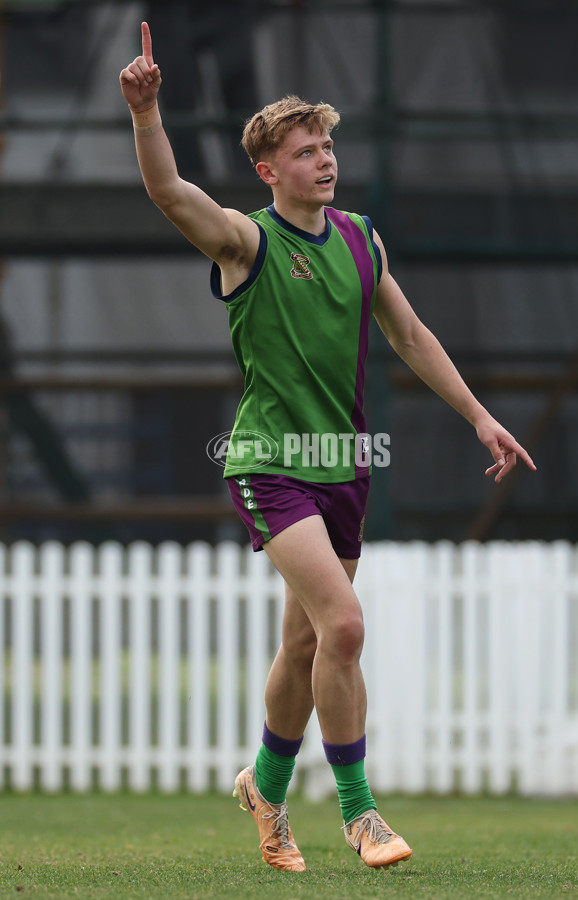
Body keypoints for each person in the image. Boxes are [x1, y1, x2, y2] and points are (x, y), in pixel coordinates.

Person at [120, 22, 536, 873]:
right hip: (268, 463)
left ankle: (264, 791)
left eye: (326, 147)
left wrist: (481, 417)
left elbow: (412, 336)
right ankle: (361, 813)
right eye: (305, 152)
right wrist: (147, 113)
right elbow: (169, 193)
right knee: (344, 626)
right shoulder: (246, 241)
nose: (324, 160)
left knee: (306, 644)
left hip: (343, 467)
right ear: (269, 171)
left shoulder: (360, 237)